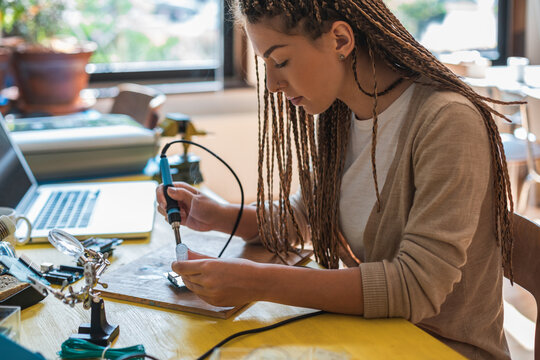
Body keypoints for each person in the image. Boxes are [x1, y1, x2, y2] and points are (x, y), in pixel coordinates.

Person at [157, 0, 516, 358]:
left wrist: (256, 281)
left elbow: (416, 287)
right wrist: (219, 215)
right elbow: (304, 216)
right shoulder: (339, 115)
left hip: (441, 349)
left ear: (340, 40)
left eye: (280, 61)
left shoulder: (447, 121)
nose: (273, 85)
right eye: (265, 65)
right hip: (369, 337)